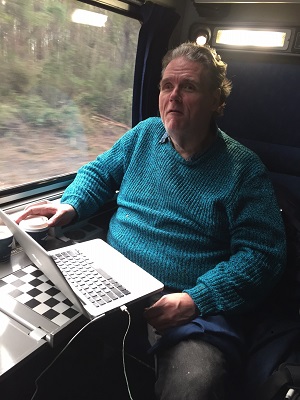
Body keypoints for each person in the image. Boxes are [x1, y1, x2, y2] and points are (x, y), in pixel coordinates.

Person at [16, 42, 286, 399]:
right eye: (166, 86)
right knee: (33, 344)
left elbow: (262, 256)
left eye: (188, 87)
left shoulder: (243, 169)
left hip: (187, 304)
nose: (173, 96)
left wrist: (196, 299)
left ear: (216, 102)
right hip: (107, 278)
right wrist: (71, 206)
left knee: (196, 383)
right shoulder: (143, 135)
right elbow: (99, 172)